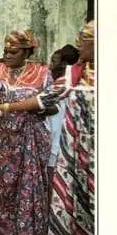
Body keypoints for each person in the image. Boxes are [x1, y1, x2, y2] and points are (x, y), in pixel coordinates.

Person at [0, 29, 57, 235]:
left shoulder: (42, 72)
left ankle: (24, 232)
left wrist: (12, 106)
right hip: (0, 138)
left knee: (26, 182)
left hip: (29, 137)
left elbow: (50, 103)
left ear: (26, 52)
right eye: (6, 50)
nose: (7, 55)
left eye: (13, 51)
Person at [47, 21, 95, 235]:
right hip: (73, 149)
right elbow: (46, 98)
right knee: (67, 199)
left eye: (83, 39)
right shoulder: (74, 73)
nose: (78, 44)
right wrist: (8, 107)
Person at [46, 44, 80, 201]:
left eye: (54, 61)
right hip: (55, 143)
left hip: (57, 143)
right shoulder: (55, 82)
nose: (50, 65)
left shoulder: (63, 84)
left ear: (65, 64)